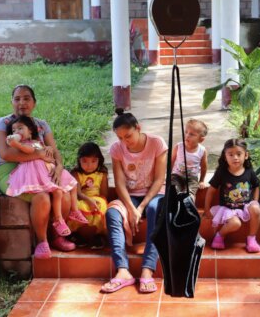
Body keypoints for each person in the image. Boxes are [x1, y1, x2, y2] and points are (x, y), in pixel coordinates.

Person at [0, 85, 75, 258]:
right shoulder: (4, 123)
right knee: (42, 197)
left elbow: (53, 151)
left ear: (34, 103)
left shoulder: (42, 125)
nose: (22, 103)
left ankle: (57, 237)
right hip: (11, 171)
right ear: (11, 102)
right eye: (17, 99)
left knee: (64, 193)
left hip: (40, 169)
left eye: (26, 98)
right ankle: (42, 241)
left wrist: (59, 167)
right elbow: (6, 153)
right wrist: (38, 154)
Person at [101, 109, 167, 294]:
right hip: (131, 196)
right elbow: (120, 183)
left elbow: (159, 179)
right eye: (120, 138)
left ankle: (147, 269)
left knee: (157, 210)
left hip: (156, 193)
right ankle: (122, 271)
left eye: (128, 136)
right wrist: (131, 208)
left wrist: (142, 206)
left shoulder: (156, 143)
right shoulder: (116, 149)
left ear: (138, 128)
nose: (125, 141)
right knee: (112, 213)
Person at [5, 115, 88, 240]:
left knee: (72, 184)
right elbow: (28, 150)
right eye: (14, 130)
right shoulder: (21, 145)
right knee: (57, 191)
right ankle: (58, 219)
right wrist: (16, 143)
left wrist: (47, 148)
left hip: (46, 169)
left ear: (30, 131)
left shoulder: (37, 142)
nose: (17, 132)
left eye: (20, 128)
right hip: (34, 172)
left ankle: (74, 211)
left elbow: (46, 152)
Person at [203, 139, 260, 253]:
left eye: (239, 154)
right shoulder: (221, 173)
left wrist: (255, 201)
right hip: (228, 209)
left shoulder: (249, 172)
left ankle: (252, 238)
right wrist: (206, 208)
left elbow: (256, 186)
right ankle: (220, 235)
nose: (235, 157)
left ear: (246, 155)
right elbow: (210, 191)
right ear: (225, 156)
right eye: (231, 154)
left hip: (245, 207)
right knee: (235, 223)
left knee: (255, 208)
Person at [69, 142, 109, 249]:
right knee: (77, 206)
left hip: (97, 198)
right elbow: (77, 193)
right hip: (81, 198)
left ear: (99, 160)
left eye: (93, 161)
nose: (89, 165)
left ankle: (99, 235)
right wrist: (88, 200)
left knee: (102, 205)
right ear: (79, 160)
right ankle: (74, 234)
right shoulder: (76, 173)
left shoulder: (102, 173)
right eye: (85, 161)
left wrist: (96, 201)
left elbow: (104, 194)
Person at [170, 118, 208, 199]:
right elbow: (171, 161)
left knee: (190, 195)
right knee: (173, 190)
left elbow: (204, 167)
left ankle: (189, 208)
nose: (187, 135)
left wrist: (201, 180)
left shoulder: (202, 151)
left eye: (192, 134)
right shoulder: (178, 146)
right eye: (186, 132)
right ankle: (175, 209)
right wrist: (167, 175)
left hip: (192, 178)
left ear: (201, 139)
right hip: (177, 175)